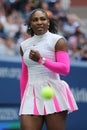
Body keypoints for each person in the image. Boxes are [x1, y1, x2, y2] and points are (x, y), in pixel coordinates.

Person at [19, 8, 78, 130]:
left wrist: (41, 60)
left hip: (53, 93)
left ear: (48, 22)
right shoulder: (24, 45)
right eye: (35, 20)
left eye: (43, 19)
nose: (39, 22)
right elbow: (25, 74)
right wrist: (23, 99)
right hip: (31, 94)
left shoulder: (58, 41)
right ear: (30, 24)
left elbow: (65, 69)